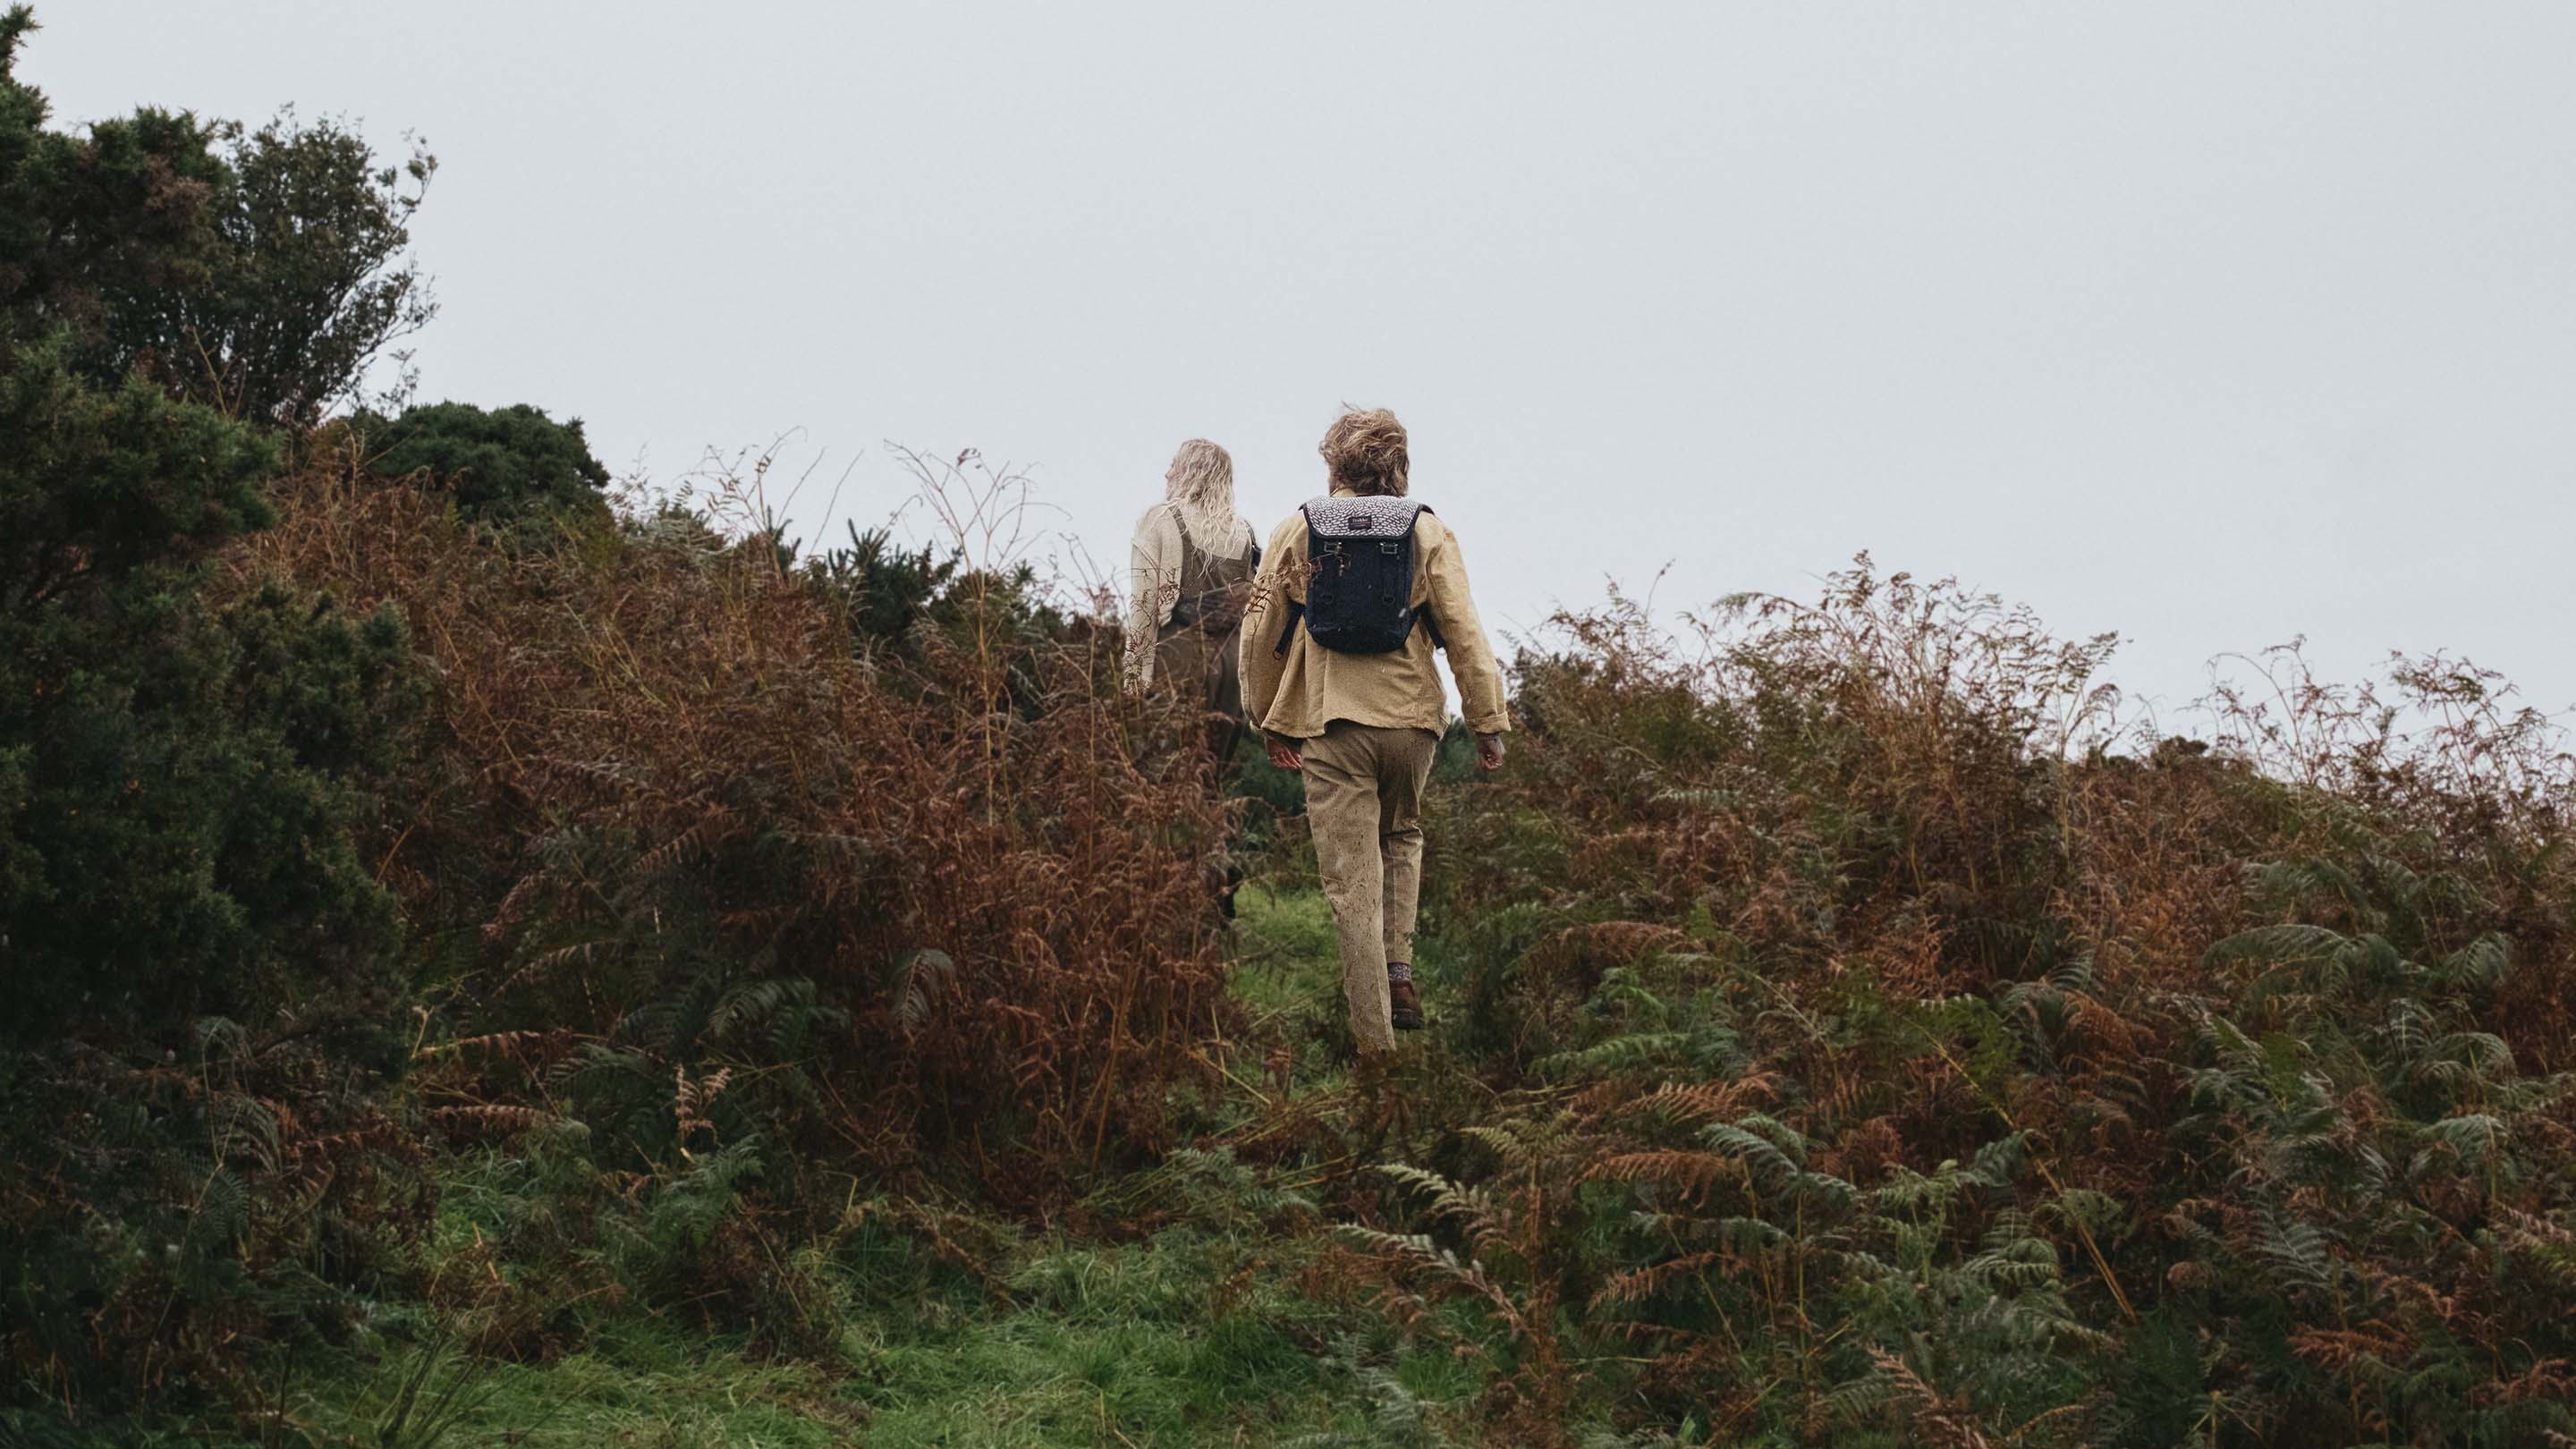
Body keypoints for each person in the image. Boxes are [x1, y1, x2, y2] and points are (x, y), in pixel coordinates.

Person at [1239, 407, 1508, 1052]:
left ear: (1334, 464)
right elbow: (1465, 633)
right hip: (1412, 723)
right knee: (1402, 834)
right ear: (1397, 464)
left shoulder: (1297, 531)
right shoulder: (1428, 533)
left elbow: (1258, 634)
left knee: (1349, 884)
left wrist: (1265, 716)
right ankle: (1399, 968)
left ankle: (1376, 1053)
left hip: (1333, 724)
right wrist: (1488, 720)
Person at [1123, 438, 1262, 763]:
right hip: (1231, 667)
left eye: (1175, 464)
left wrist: (1133, 680)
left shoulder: (1159, 520)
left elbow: (1144, 603)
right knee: (1209, 780)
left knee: (1161, 772)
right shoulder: (1245, 533)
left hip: (1178, 656)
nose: (1167, 473)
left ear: (1191, 472)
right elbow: (1255, 609)